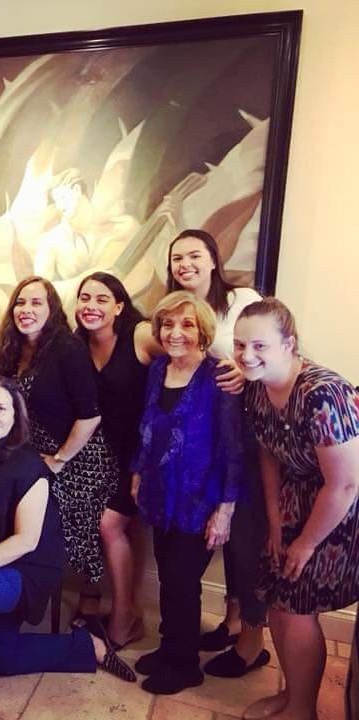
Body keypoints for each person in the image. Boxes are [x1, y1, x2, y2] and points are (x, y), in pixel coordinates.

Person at [0, 375, 135, 720]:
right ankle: (88, 646)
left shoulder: (28, 466)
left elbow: (26, 540)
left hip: (23, 568)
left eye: (1, 408)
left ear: (15, 415)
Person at [234, 298, 359, 720]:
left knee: (298, 607)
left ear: (289, 344)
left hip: (334, 510)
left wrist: (306, 543)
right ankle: (291, 695)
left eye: (259, 346)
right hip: (291, 501)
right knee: (276, 599)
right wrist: (274, 522)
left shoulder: (324, 393)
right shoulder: (257, 387)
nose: (246, 355)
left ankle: (303, 710)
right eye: (240, 345)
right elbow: (269, 455)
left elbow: (345, 483)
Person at [167, 228, 269, 675]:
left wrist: (247, 373)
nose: (185, 264)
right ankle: (231, 622)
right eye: (177, 258)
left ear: (213, 259)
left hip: (250, 434)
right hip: (210, 438)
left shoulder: (242, 300)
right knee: (224, 539)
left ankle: (253, 641)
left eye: (194, 255)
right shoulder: (178, 311)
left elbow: (268, 352)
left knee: (246, 538)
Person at [130, 292, 243, 694]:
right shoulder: (159, 368)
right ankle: (170, 648)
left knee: (183, 582)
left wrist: (225, 510)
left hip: (200, 500)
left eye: (187, 324)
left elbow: (232, 447)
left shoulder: (219, 377)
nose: (175, 332)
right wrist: (138, 472)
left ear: (203, 331)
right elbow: (148, 424)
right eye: (168, 324)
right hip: (161, 494)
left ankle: (184, 665)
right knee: (169, 577)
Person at [0, 276, 114, 597]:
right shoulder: (9, 350)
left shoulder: (67, 348)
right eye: (20, 302)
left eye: (36, 303)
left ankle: (90, 594)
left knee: (63, 518)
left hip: (77, 456)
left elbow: (91, 415)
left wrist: (59, 460)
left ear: (51, 309)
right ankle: (7, 587)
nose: (26, 310)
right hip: (32, 456)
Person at [74, 272, 162, 648]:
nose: (91, 306)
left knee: (110, 526)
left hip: (142, 455)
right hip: (103, 455)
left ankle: (124, 617)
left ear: (119, 306)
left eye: (101, 299)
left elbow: (188, 353)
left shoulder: (139, 335)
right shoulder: (77, 345)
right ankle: (129, 610)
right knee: (123, 529)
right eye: (84, 298)